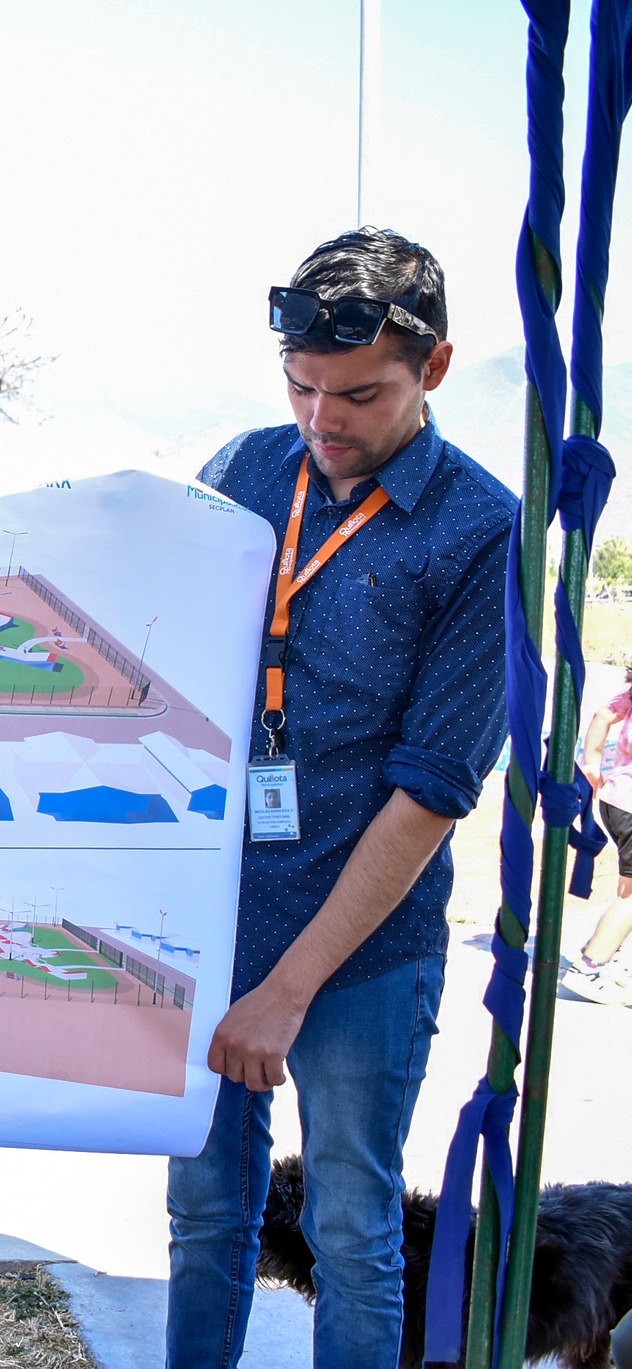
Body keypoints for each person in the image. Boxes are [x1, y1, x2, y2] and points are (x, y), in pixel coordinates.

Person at [165, 229, 516, 1367]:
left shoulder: (481, 530)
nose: (321, 420)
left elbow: (427, 794)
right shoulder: (244, 468)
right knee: (204, 1217)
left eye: (357, 395)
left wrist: (284, 989)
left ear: (437, 367)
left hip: (361, 952)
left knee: (349, 1229)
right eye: (300, 386)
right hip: (212, 922)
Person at [566, 661, 632, 1004]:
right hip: (630, 806)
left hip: (616, 800)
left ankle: (615, 961)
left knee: (628, 889)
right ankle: (590, 966)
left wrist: (592, 760)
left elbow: (604, 716)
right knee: (631, 897)